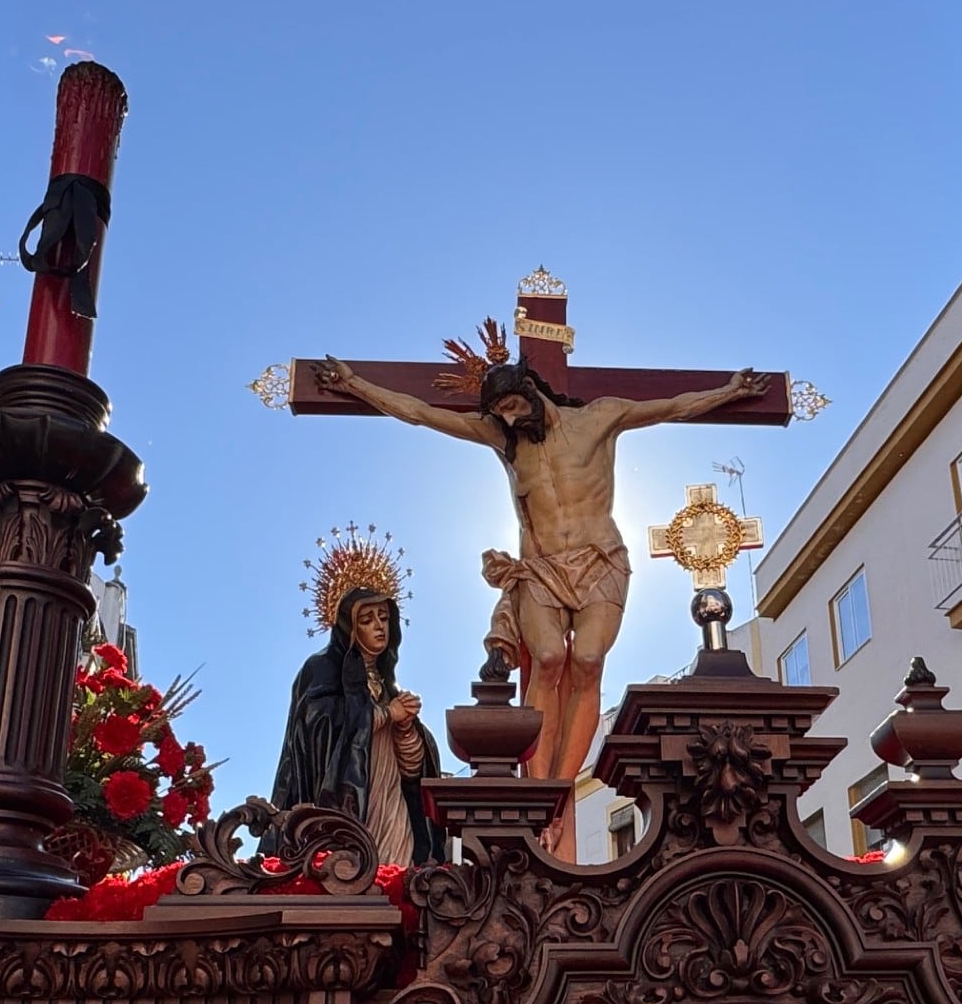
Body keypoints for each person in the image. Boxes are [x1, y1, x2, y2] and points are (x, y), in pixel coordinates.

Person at [313, 355, 768, 785]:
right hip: (541, 568)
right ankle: (540, 784)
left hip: (600, 560)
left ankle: (564, 784)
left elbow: (671, 407)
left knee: (588, 661)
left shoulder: (598, 418)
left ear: (529, 389)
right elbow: (420, 413)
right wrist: (354, 384)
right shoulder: (501, 439)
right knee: (548, 657)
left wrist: (729, 392)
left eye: (511, 406)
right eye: (500, 413)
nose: (508, 420)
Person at [270, 586, 444, 866]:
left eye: (384, 618)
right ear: (349, 627)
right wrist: (386, 715)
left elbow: (412, 771)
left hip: (389, 796)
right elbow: (318, 726)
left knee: (395, 867)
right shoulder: (322, 667)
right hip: (347, 795)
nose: (379, 627)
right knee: (352, 867)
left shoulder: (389, 686)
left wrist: (406, 729)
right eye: (367, 620)